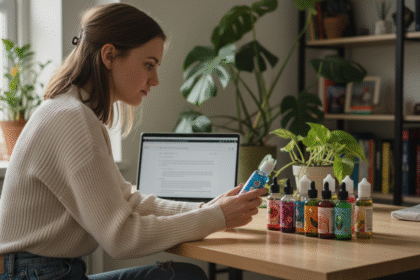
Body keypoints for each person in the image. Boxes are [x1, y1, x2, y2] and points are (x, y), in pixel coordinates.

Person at [0, 3, 267, 280]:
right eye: (148, 65)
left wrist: (207, 209)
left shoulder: (70, 110)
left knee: (184, 275)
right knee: (185, 277)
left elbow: (127, 200)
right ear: (109, 55)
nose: (155, 80)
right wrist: (216, 218)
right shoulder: (71, 118)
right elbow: (121, 238)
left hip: (37, 271)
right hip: (35, 274)